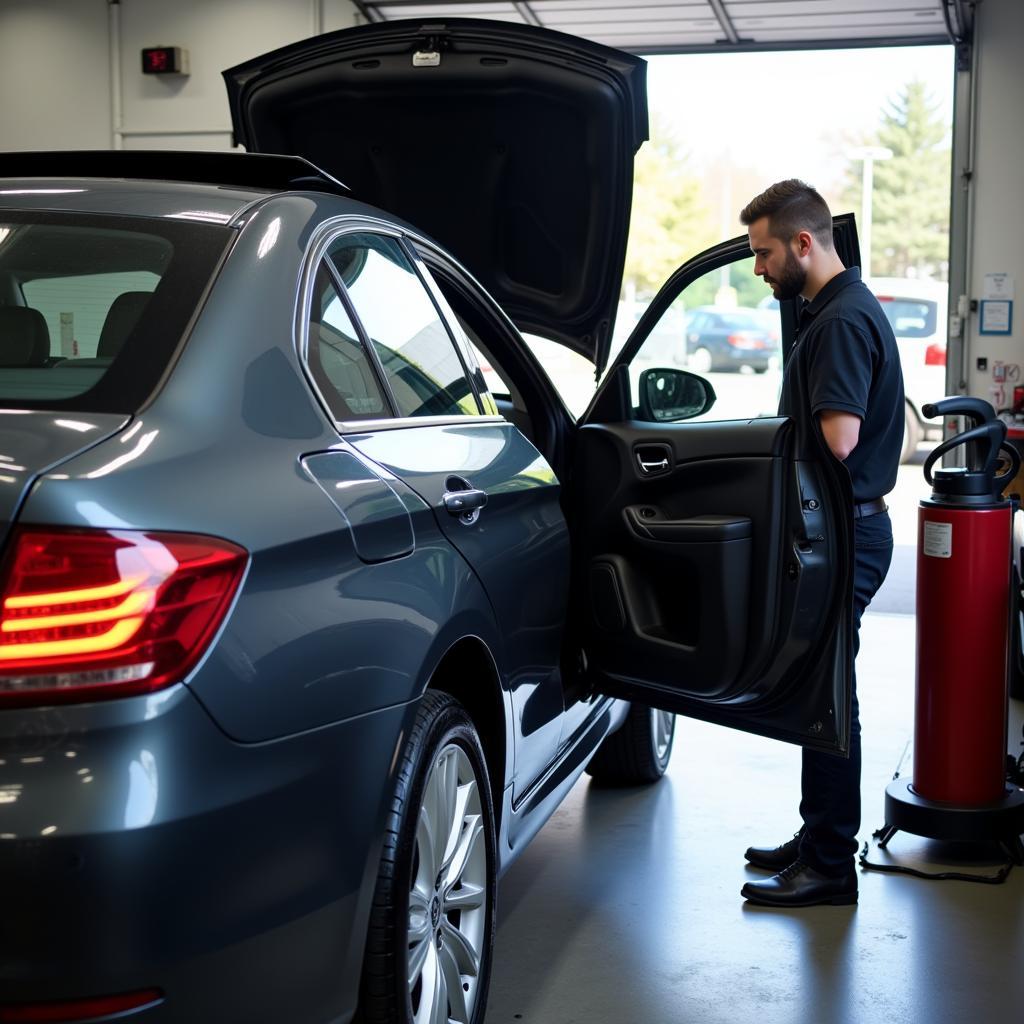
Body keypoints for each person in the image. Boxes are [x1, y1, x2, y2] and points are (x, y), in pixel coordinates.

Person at [737, 179, 905, 908]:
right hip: (852, 528)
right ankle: (818, 837)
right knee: (818, 690)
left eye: (765, 252)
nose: (758, 268)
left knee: (829, 698)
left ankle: (831, 863)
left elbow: (839, 440)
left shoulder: (837, 323)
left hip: (850, 532)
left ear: (805, 243)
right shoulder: (837, 308)